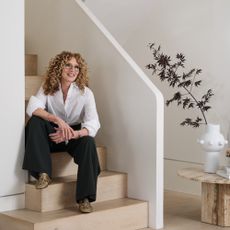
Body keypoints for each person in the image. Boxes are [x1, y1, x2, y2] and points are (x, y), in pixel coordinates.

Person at [23, 51, 101, 213]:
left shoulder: (86, 93)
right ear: (59, 67)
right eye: (68, 65)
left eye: (76, 67)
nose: (72, 70)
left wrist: (73, 134)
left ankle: (85, 198)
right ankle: (43, 173)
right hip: (53, 133)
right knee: (36, 122)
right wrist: (57, 120)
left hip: (74, 135)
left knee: (89, 142)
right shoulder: (47, 87)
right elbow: (33, 107)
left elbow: (93, 123)